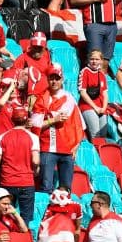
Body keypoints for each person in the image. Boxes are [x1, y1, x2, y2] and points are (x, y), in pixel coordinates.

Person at [32, 63, 84, 192]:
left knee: (66, 189)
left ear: (62, 79)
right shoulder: (41, 100)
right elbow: (35, 126)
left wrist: (76, 147)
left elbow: (79, 124)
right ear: (47, 79)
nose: (54, 81)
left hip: (67, 149)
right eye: (51, 78)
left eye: (57, 78)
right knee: (46, 187)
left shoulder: (69, 98)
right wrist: (53, 120)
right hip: (47, 148)